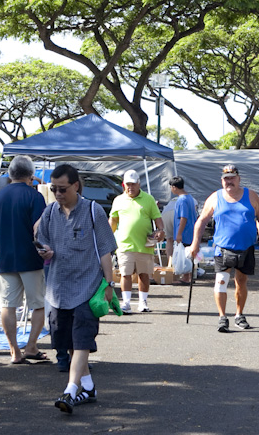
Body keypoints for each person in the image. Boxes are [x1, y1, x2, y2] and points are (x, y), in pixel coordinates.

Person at [36, 164, 117, 415]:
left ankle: (71, 390)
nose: (58, 194)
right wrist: (45, 251)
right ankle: (88, 387)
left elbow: (105, 250)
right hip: (58, 290)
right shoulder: (49, 213)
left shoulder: (93, 211)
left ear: (75, 186)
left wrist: (109, 284)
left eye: (62, 189)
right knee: (69, 342)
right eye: (54, 189)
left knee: (82, 340)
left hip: (87, 288)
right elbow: (42, 241)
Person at [188, 164, 259, 332]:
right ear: (221, 180)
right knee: (221, 282)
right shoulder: (215, 197)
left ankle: (239, 315)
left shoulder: (251, 196)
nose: (229, 181)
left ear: (239, 179)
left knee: (241, 282)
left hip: (246, 247)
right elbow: (201, 221)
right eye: (226, 179)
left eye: (232, 178)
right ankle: (222, 317)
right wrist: (195, 243)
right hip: (222, 248)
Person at [0, 155, 47, 365]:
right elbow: (38, 228)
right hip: (31, 258)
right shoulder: (35, 197)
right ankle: (31, 346)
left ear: (10, 174)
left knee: (7, 305)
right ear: (31, 175)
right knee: (38, 305)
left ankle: (14, 351)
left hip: (5, 259)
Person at [109, 169, 165, 313]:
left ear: (139, 184)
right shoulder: (118, 200)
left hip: (144, 245)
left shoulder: (149, 199)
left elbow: (157, 218)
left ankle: (143, 302)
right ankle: (126, 303)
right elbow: (113, 221)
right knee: (125, 274)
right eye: (128, 184)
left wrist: (161, 230)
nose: (130, 187)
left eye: (133, 184)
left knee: (144, 274)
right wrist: (108, 237)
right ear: (123, 185)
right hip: (124, 244)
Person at [169, 176, 197, 284]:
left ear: (174, 187)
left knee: (185, 254)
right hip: (191, 230)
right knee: (188, 254)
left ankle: (186, 277)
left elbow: (183, 217)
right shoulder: (189, 197)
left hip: (185, 231)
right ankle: (189, 275)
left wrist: (179, 233)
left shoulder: (181, 200)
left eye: (171, 187)